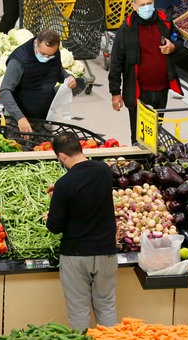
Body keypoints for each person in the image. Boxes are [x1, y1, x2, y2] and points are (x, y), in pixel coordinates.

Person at [45, 132, 117, 331]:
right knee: (107, 305)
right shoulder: (104, 171)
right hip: (106, 252)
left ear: (62, 157)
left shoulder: (64, 184)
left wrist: (52, 209)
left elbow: (55, 227)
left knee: (79, 311)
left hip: (76, 254)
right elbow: (88, 188)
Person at [108, 0, 182, 145]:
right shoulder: (126, 29)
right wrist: (115, 92)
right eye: (142, 5)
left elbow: (179, 41)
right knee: (139, 137)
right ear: (134, 6)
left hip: (162, 90)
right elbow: (116, 61)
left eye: (150, 3)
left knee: (155, 134)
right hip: (138, 92)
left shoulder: (165, 21)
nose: (147, 7)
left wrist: (173, 46)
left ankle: (153, 164)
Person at [0, 29, 77, 133]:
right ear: (36, 43)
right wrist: (20, 118)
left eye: (50, 55)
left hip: (45, 116)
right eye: (43, 54)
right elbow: (4, 92)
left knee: (45, 147)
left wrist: (68, 77)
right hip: (19, 120)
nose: (47, 58)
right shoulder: (19, 60)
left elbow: (57, 70)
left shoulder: (54, 53)